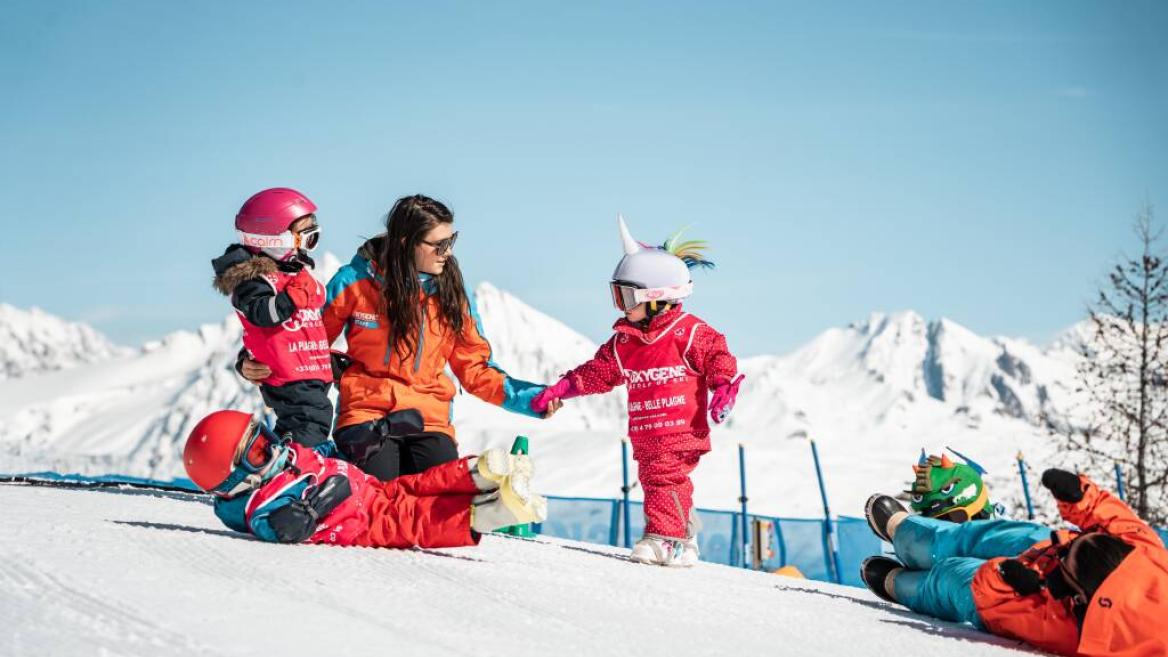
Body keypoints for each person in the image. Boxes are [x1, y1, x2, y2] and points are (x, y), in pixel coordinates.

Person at [240, 194, 559, 480]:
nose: (447, 252)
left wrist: (529, 399)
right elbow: (304, 339)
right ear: (407, 242)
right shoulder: (354, 282)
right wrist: (250, 362)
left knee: (435, 495)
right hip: (365, 414)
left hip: (428, 419)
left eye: (452, 241)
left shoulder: (452, 294)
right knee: (378, 489)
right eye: (439, 244)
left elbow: (474, 369)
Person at [529, 216, 743, 567]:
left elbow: (718, 356)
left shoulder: (688, 332)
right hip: (647, 431)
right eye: (617, 294)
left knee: (663, 477)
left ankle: (666, 538)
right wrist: (562, 389)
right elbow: (597, 372)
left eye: (626, 295)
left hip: (680, 427)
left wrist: (723, 387)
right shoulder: (625, 342)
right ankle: (684, 537)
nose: (622, 305)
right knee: (657, 479)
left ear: (657, 297)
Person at [861, 469, 1168, 657]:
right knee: (985, 535)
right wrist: (1081, 496)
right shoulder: (1147, 554)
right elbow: (1122, 523)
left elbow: (993, 600)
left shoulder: (1074, 630)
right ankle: (906, 532)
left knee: (955, 580)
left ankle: (900, 585)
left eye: (1066, 564)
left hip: (1029, 593)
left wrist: (1005, 580)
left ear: (1077, 597)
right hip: (1044, 551)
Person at [182, 409, 547, 547]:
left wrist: (365, 440)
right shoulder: (259, 507)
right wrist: (314, 506)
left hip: (368, 488)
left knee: (419, 485)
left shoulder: (283, 459)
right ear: (234, 479)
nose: (273, 449)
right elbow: (280, 528)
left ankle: (486, 472)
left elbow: (320, 454)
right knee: (414, 517)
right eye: (258, 452)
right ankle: (496, 512)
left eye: (265, 437)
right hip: (361, 521)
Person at [213, 187, 333, 448]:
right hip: (288, 378)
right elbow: (261, 315)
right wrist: (292, 298)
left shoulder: (297, 278)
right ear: (272, 240)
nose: (310, 248)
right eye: (306, 238)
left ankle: (289, 462)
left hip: (308, 373)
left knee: (311, 420)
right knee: (309, 421)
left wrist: (329, 359)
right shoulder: (255, 282)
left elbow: (304, 330)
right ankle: (297, 468)